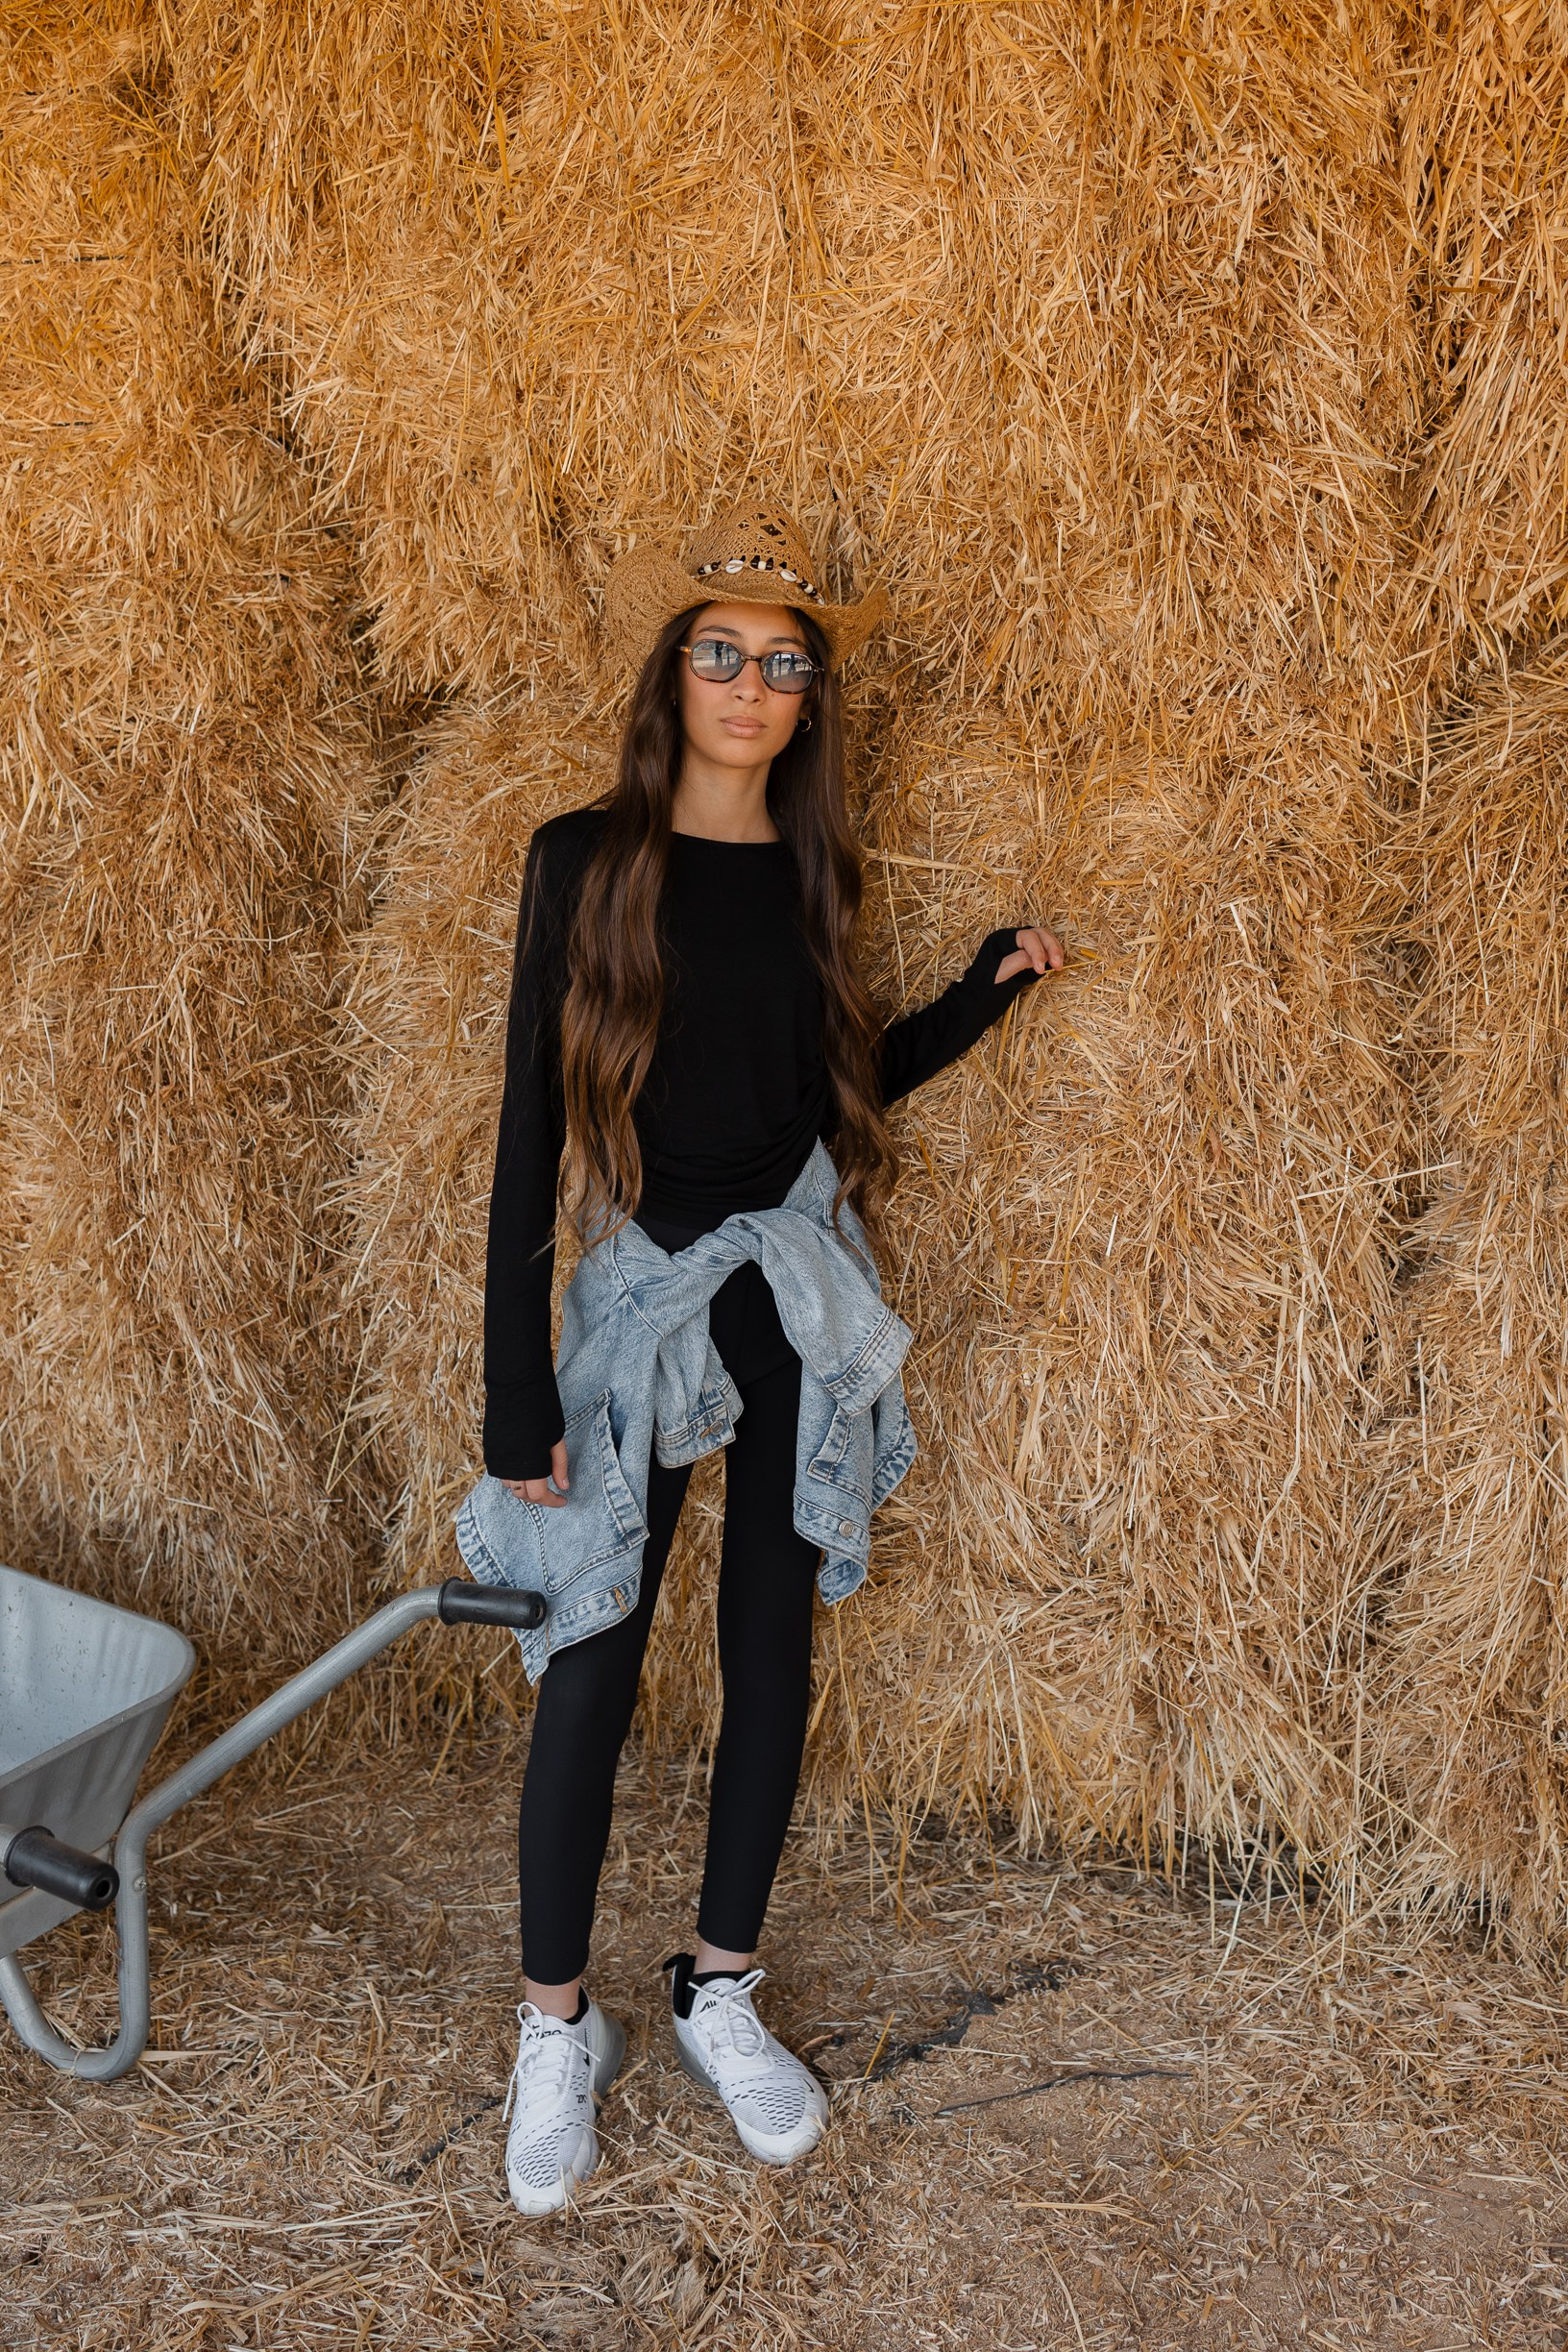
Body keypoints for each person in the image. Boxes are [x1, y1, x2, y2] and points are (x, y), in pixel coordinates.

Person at [477, 503, 1063, 2216]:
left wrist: (977, 999)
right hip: (644, 1292)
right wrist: (517, 1387)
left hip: (788, 1289)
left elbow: (830, 1089)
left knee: (767, 1647)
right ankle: (555, 2028)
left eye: (783, 663)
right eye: (720, 652)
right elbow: (528, 1133)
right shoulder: (580, 860)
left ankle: (719, 1986)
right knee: (594, 1659)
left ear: (808, 700)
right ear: (676, 673)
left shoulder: (816, 875)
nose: (749, 683)